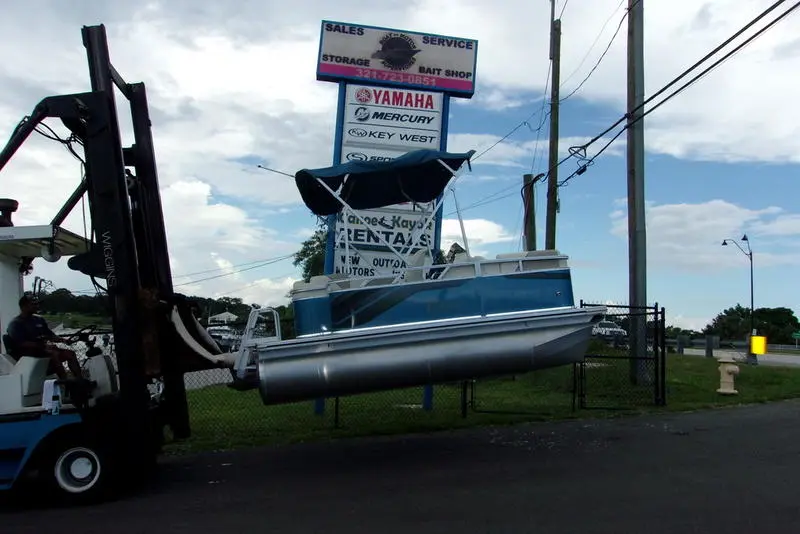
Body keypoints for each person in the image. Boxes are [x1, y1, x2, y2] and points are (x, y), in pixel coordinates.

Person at [6, 294, 82, 380]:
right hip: (27, 355)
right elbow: (21, 343)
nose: (37, 306)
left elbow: (50, 335)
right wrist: (44, 346)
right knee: (54, 354)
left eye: (37, 304)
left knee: (70, 354)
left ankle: (80, 382)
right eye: (33, 304)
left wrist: (63, 340)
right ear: (24, 307)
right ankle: (65, 383)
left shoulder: (39, 320)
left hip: (43, 351)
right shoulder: (16, 323)